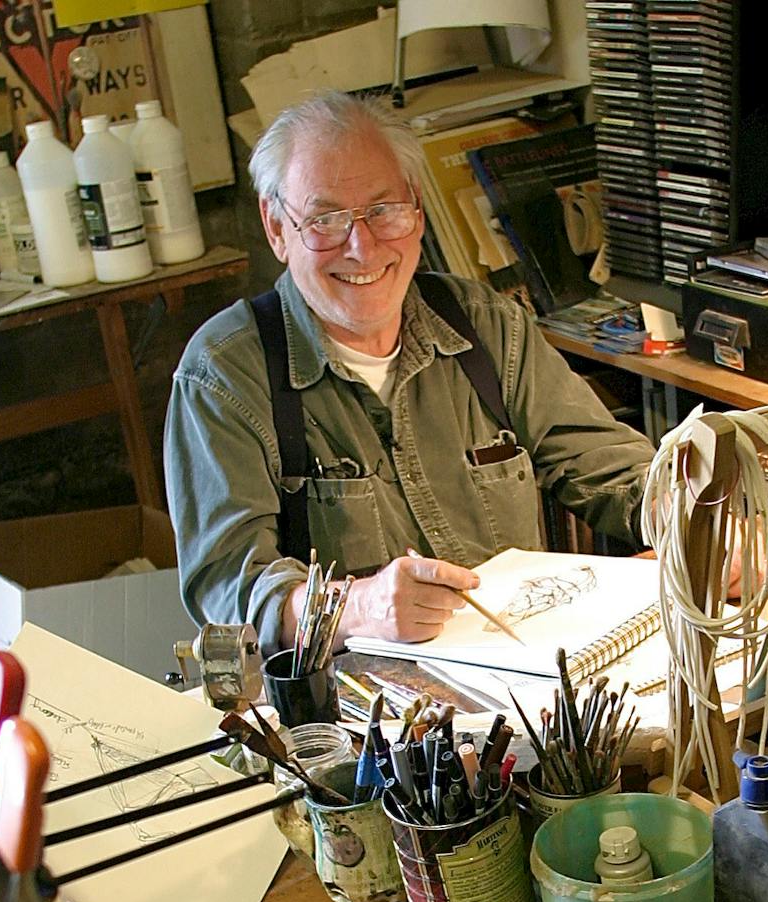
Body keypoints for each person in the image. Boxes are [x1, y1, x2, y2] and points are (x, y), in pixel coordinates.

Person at [164, 91, 654, 655]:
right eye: (325, 220)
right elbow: (228, 588)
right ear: (277, 228)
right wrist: (359, 608)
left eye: (383, 210)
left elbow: (612, 467)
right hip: (357, 716)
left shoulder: (488, 327)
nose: (363, 247)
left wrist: (697, 515)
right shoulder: (223, 375)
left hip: (524, 674)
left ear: (417, 210)